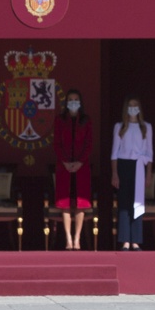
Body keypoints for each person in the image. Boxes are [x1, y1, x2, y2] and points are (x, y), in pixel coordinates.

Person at [51, 90, 93, 250]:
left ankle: (77, 239)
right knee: (66, 203)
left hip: (82, 167)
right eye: (70, 99)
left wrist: (80, 162)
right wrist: (66, 162)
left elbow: (89, 144)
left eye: (76, 99)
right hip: (64, 167)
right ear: (66, 102)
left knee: (80, 204)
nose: (73, 102)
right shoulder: (60, 120)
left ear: (80, 102)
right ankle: (68, 239)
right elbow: (57, 144)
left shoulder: (86, 120)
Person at [111, 96, 154, 251]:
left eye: (136, 105)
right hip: (123, 166)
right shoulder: (120, 126)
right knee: (124, 203)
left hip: (139, 166)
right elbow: (114, 153)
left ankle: (135, 241)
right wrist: (115, 173)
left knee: (137, 203)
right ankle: (125, 241)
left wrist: (148, 173)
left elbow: (149, 152)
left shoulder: (146, 127)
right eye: (130, 105)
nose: (133, 108)